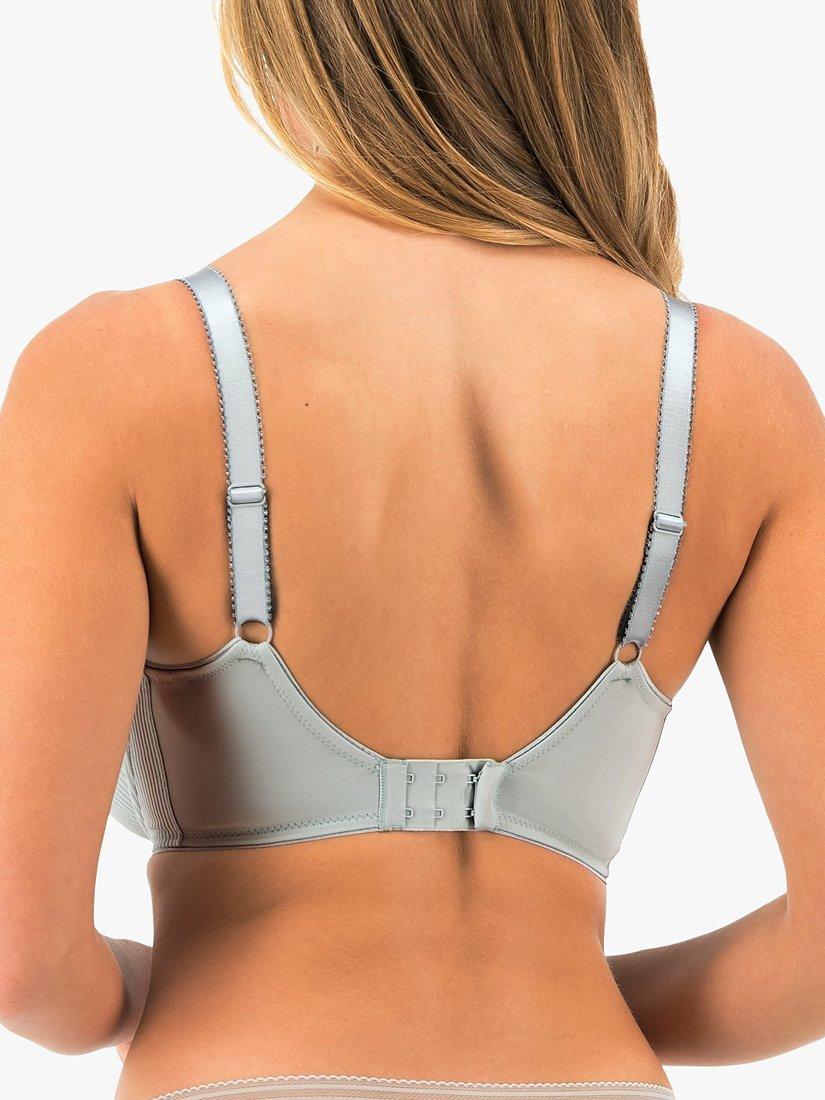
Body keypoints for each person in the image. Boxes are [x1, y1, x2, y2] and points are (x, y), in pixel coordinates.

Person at [1, 3, 823, 1100]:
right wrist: (571, 999)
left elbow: (21, 959)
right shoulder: (738, 393)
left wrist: (160, 994)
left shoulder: (115, 371)